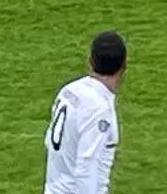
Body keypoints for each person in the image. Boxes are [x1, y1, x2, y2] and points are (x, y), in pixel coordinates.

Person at [43, 31, 127, 194]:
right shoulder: (98, 109)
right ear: (124, 65)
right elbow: (87, 169)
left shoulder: (68, 91)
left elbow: (49, 142)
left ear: (90, 61)